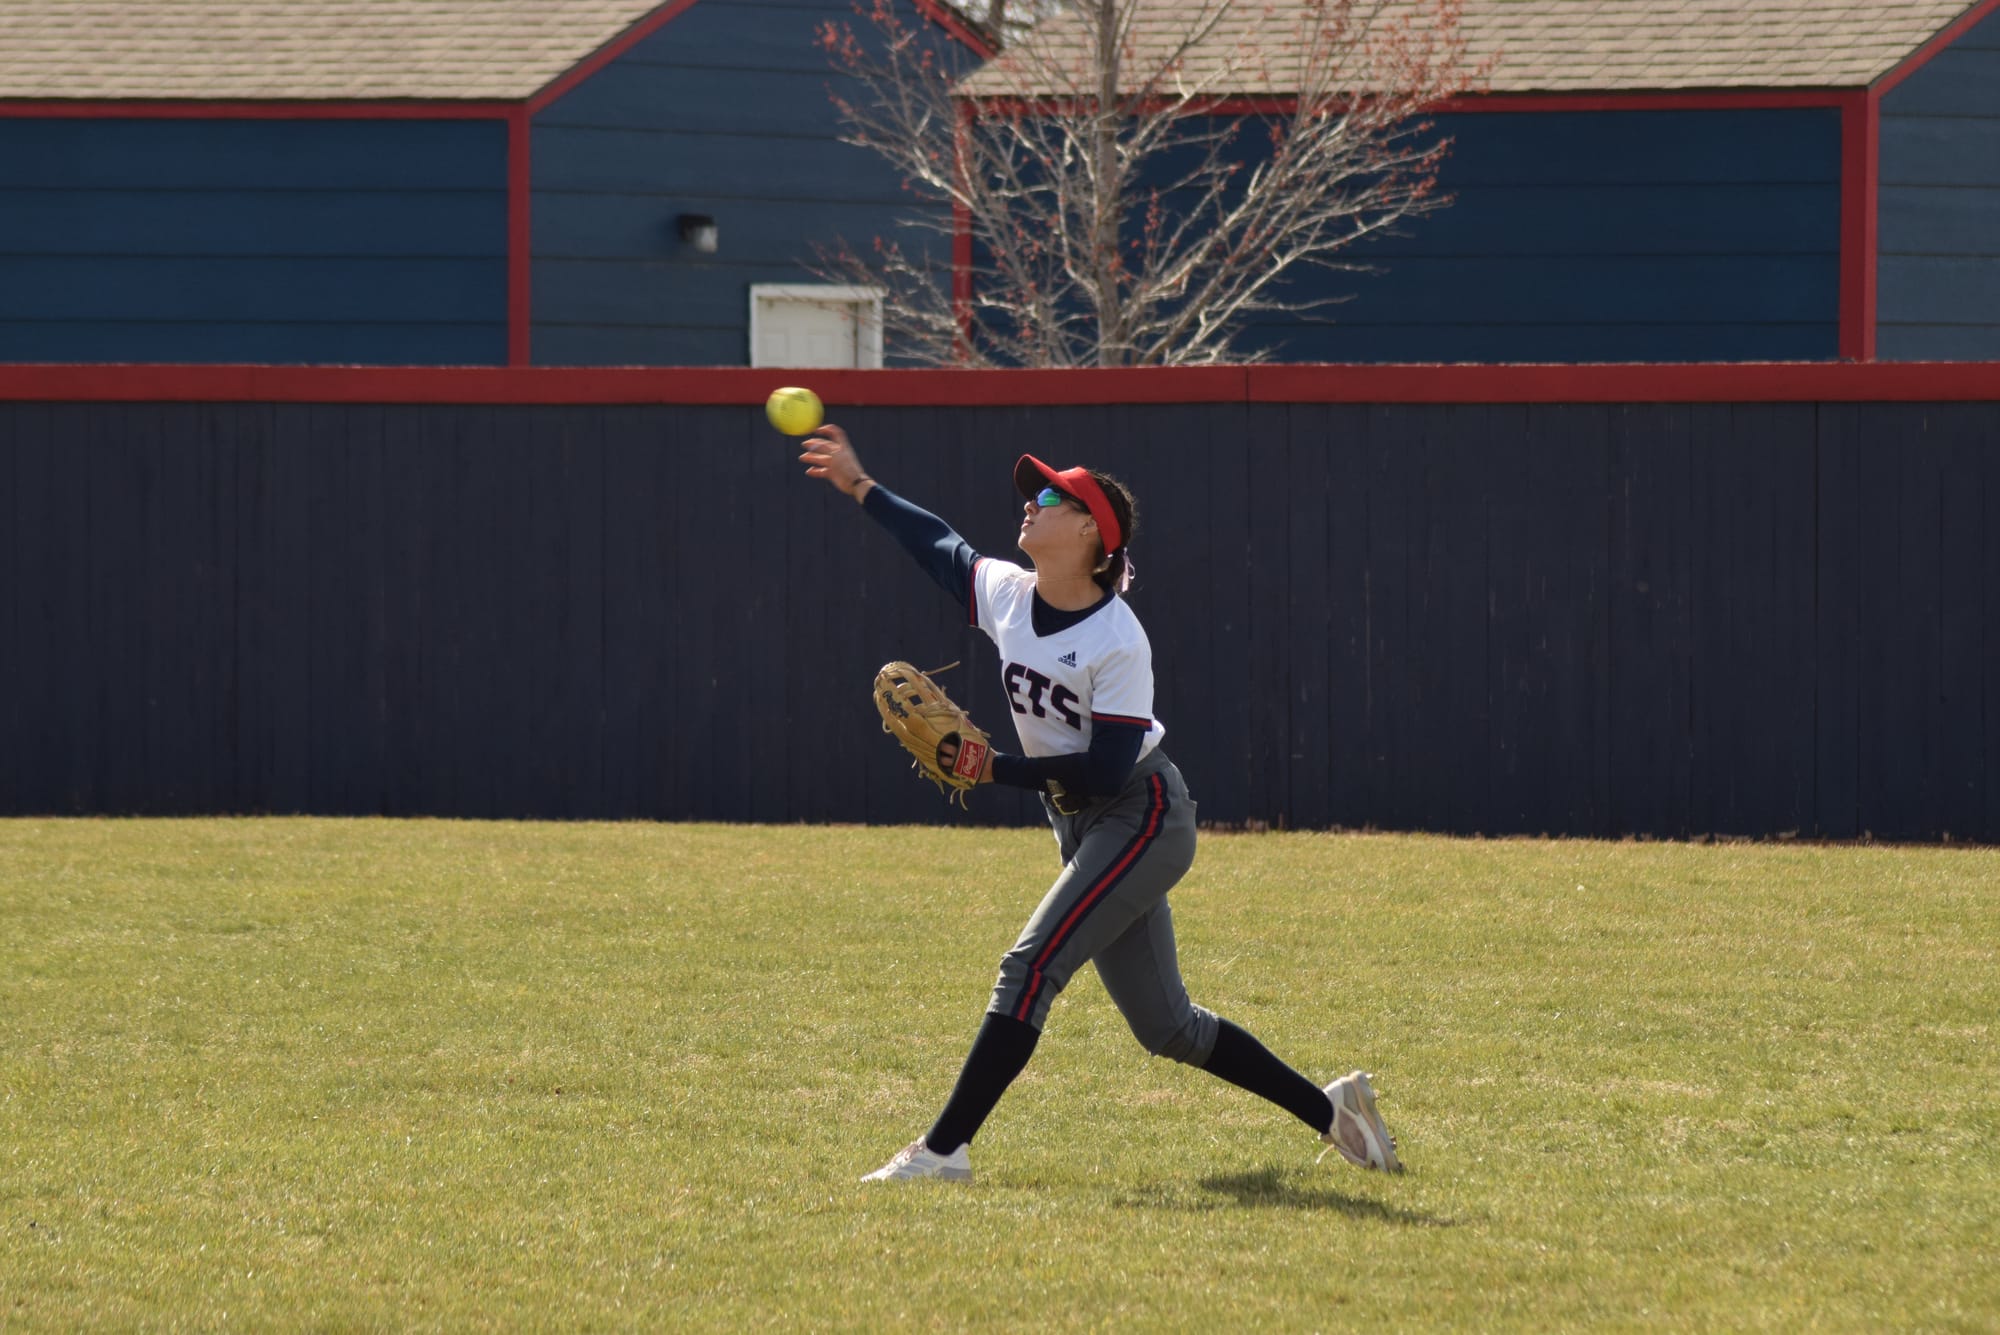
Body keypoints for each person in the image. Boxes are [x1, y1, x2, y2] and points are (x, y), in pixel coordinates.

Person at [799, 423, 1401, 1183]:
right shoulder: (1011, 595)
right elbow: (935, 542)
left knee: (1029, 966)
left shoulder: (1118, 637)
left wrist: (993, 769)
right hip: (1082, 821)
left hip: (1141, 812)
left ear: (1090, 530)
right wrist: (859, 483)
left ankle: (942, 1151)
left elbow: (1107, 768)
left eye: (1051, 495)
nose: (1030, 503)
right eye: (1034, 493)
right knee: (1169, 1028)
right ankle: (1334, 1110)